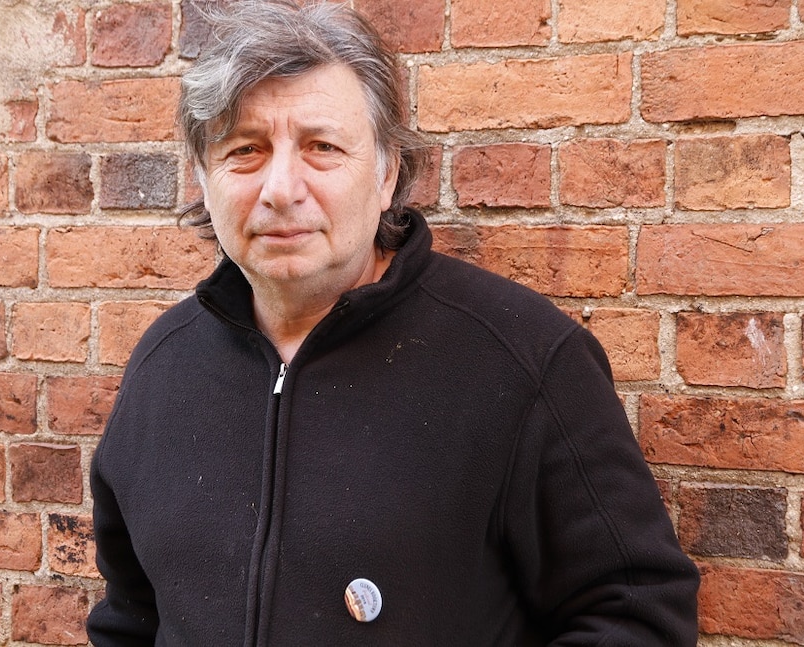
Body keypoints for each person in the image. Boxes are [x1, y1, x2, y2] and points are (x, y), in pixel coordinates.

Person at [86, 1, 700, 645]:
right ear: (204, 179)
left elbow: (638, 611)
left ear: (387, 174)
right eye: (246, 150)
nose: (281, 188)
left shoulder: (520, 360)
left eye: (322, 147)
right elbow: (130, 617)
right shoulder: (165, 367)